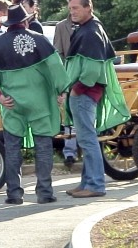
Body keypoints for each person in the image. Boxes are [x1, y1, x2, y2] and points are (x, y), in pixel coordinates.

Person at [0, 3, 70, 205]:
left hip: (12, 104)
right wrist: (62, 90)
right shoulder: (40, 40)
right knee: (43, 147)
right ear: (26, 21)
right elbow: (56, 67)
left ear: (7, 24)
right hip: (40, 103)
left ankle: (14, 194)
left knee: (12, 148)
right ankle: (44, 193)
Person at [63, 0, 130, 198]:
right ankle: (86, 183)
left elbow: (92, 70)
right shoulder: (89, 28)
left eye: (75, 8)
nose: (71, 12)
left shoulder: (90, 33)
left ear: (87, 8)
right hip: (84, 93)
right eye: (70, 8)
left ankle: (95, 185)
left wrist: (76, 89)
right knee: (85, 138)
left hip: (84, 94)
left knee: (88, 139)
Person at [53, 14, 79, 168]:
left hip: (85, 75)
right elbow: (57, 54)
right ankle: (70, 152)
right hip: (68, 75)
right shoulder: (61, 26)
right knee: (69, 115)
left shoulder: (91, 24)